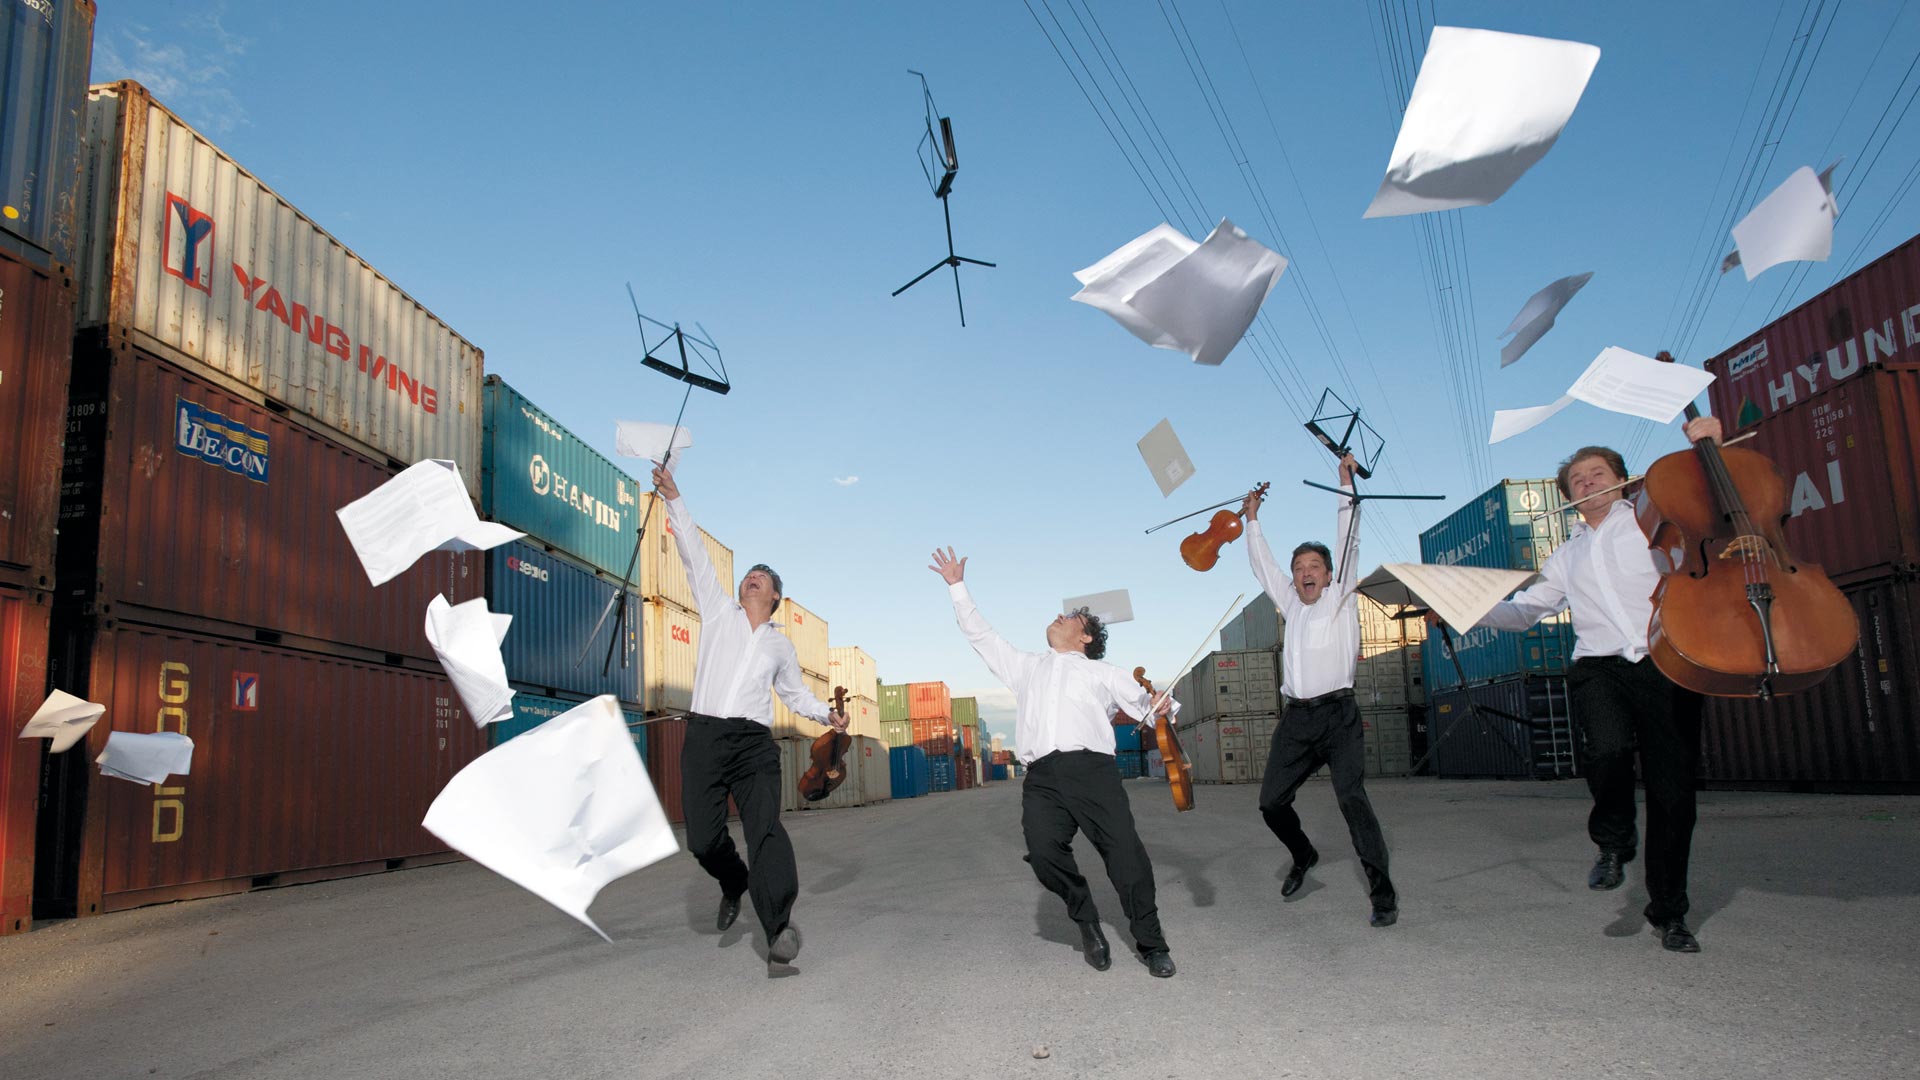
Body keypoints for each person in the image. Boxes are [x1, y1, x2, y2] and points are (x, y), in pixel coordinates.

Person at [1432, 415, 1722, 953]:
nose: (1587, 483)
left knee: (1674, 796)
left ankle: (1669, 914)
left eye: (1597, 474)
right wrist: (1464, 609)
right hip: (1598, 667)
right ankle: (1613, 843)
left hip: (1665, 662)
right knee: (1606, 750)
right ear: (1568, 498)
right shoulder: (1565, 556)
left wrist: (1711, 451)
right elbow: (1524, 612)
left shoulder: (1655, 525)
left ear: (1623, 481)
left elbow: (1715, 511)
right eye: (1577, 480)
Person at [930, 546, 1178, 978]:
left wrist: (1164, 706)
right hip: (1042, 777)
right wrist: (957, 587)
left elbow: (1151, 707)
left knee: (1126, 858)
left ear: (1086, 638)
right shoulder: (1026, 667)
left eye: (1072, 618)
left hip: (1093, 772)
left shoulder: (1105, 673)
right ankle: (1086, 920)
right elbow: (982, 636)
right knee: (1043, 855)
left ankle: (1152, 944)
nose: (1059, 616)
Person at [654, 463, 849, 972]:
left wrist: (827, 714)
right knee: (702, 839)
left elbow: (794, 694)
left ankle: (778, 929)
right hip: (705, 736)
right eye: (748, 573)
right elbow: (693, 553)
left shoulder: (781, 645)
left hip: (753, 745)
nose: (751, 575)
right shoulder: (719, 613)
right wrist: (674, 497)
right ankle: (733, 880)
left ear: (774, 596)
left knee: (764, 830)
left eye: (761, 576)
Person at [1244, 452, 1398, 927]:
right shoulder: (1291, 603)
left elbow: (1348, 538)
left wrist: (1345, 483)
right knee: (1271, 803)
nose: (1305, 572)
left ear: (1329, 574)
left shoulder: (1341, 597)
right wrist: (1252, 520)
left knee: (1351, 798)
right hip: (1297, 719)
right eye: (1298, 567)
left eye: (1314, 566)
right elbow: (1262, 566)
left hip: (1338, 717)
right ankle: (1304, 854)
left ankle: (1383, 894)